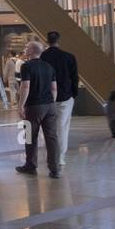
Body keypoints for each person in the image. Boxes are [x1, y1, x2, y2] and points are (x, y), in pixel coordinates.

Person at [15, 41, 60, 178]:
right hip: (50, 106)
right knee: (51, 137)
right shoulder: (49, 67)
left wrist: (21, 105)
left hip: (33, 106)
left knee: (30, 136)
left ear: (32, 51)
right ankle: (55, 169)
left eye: (26, 47)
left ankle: (31, 165)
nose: (25, 49)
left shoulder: (26, 66)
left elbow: (25, 87)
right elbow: (54, 88)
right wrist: (51, 102)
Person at [40, 31, 80, 166]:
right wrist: (74, 93)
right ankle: (59, 156)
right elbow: (74, 78)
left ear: (47, 41)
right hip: (65, 97)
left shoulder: (42, 57)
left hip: (46, 98)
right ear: (59, 40)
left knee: (49, 127)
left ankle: (51, 154)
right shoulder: (69, 57)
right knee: (62, 127)